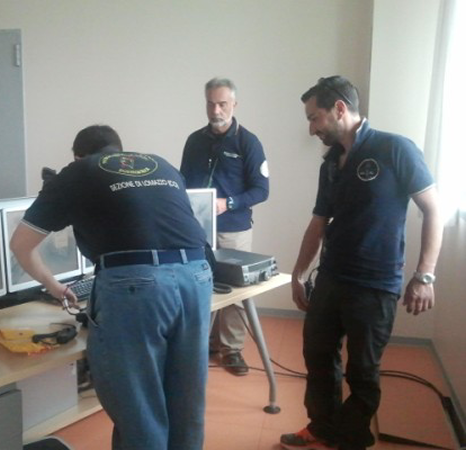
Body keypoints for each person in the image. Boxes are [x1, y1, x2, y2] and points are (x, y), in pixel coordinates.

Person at [10, 125, 214, 450]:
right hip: (198, 276)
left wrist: (55, 287)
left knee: (140, 404)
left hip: (136, 284)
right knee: (187, 399)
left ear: (78, 156)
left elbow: (21, 244)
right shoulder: (159, 164)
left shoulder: (76, 172)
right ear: (120, 149)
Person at [281, 76, 443, 450]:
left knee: (363, 370)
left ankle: (351, 438)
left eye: (314, 118)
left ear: (339, 108)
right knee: (318, 356)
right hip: (331, 278)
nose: (311, 129)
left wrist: (425, 276)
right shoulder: (330, 164)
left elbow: (433, 209)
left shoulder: (395, 148)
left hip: (375, 285)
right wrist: (298, 274)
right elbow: (318, 223)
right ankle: (322, 426)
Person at [180, 77, 269, 376]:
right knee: (199, 285)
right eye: (210, 104)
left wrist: (228, 203)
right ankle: (202, 343)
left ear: (234, 104)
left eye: (222, 104)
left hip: (234, 229)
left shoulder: (248, 142)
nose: (215, 110)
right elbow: (182, 180)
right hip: (197, 230)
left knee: (235, 289)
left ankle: (231, 349)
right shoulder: (194, 140)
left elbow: (262, 190)